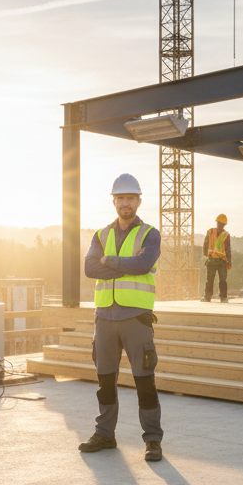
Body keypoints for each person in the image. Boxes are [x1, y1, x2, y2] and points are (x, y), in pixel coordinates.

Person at [79, 173, 164, 463]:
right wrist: (125, 265)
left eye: (130, 198)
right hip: (104, 317)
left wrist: (109, 261)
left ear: (139, 201)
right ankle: (105, 434)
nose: (125, 203)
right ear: (114, 201)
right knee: (105, 382)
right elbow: (90, 268)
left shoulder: (150, 234)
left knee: (145, 382)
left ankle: (153, 440)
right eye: (120, 198)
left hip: (136, 318)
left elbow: (144, 263)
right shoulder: (100, 235)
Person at [201, 214, 232, 303]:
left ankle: (223, 297)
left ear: (224, 224)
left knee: (223, 280)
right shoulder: (210, 232)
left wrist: (229, 262)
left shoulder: (226, 235)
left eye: (222, 224)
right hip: (211, 260)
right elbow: (205, 244)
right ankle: (207, 297)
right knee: (209, 280)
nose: (220, 225)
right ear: (217, 223)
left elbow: (228, 249)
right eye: (219, 223)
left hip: (222, 261)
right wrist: (205, 254)